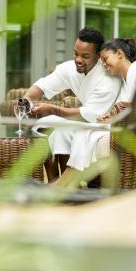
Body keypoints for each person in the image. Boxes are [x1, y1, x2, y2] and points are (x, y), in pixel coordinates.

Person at [22, 27, 122, 180]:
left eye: (85, 56)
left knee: (62, 130)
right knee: (41, 124)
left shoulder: (108, 79)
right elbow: (42, 86)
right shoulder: (71, 68)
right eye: (76, 53)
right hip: (86, 120)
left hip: (104, 123)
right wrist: (25, 101)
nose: (78, 59)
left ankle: (67, 184)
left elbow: (90, 116)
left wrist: (53, 109)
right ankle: (53, 177)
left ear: (99, 56)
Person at [64, 38, 136, 176]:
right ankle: (72, 180)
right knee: (83, 132)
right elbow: (129, 106)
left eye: (105, 59)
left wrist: (116, 117)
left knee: (84, 133)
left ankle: (67, 181)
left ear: (120, 54)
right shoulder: (126, 78)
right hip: (133, 126)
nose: (104, 65)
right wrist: (112, 115)